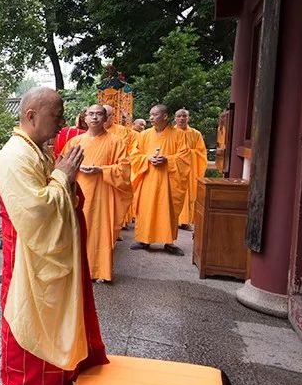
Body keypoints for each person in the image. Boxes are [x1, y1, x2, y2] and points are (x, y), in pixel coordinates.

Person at [0, 87, 108, 385]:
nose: (61, 122)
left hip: (44, 255)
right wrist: (62, 177)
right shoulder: (14, 156)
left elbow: (55, 193)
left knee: (51, 321)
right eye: (56, 115)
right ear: (31, 115)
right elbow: (37, 211)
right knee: (25, 322)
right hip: (28, 258)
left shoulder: (36, 151)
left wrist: (63, 178)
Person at [62, 105, 132, 283]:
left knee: (100, 232)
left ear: (106, 118)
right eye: (91, 114)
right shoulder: (75, 142)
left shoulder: (116, 141)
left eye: (99, 114)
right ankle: (78, 270)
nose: (94, 118)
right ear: (85, 118)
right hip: (79, 193)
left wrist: (101, 170)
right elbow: (62, 165)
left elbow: (124, 169)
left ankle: (101, 271)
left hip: (103, 194)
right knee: (77, 230)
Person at [130, 105, 191, 255]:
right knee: (146, 208)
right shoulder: (143, 135)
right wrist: (147, 158)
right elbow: (134, 155)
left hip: (168, 180)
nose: (151, 117)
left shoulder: (179, 135)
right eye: (150, 114)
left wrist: (167, 160)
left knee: (167, 210)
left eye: (155, 114)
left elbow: (184, 157)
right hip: (148, 178)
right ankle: (144, 240)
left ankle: (169, 242)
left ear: (165, 116)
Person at [173, 109, 207, 230]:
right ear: (175, 118)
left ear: (189, 118)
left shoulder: (195, 133)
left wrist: (188, 154)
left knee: (189, 194)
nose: (182, 118)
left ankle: (186, 221)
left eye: (184, 116)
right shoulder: (171, 133)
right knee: (174, 193)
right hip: (175, 169)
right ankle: (173, 220)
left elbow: (201, 152)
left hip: (190, 169)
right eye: (179, 116)